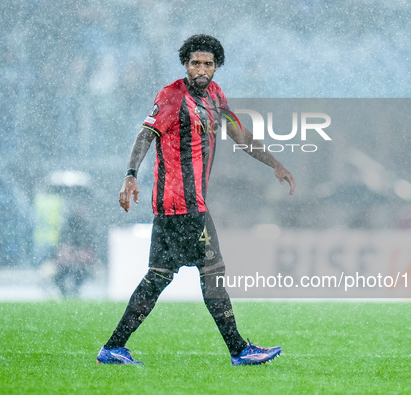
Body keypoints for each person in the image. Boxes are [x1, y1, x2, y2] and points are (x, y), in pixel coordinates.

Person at [97, 34, 295, 366]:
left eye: (207, 63)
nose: (201, 69)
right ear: (186, 65)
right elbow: (146, 133)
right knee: (212, 270)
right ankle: (238, 350)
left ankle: (114, 347)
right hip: (181, 204)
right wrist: (131, 173)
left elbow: (239, 133)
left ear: (217, 66)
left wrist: (274, 164)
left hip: (186, 205)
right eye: (195, 63)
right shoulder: (172, 96)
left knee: (159, 274)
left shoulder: (216, 96)